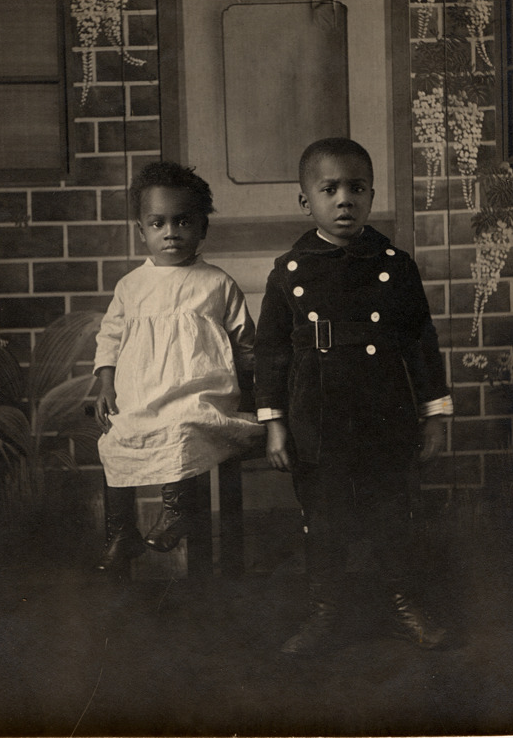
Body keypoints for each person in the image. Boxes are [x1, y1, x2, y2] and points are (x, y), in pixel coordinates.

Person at [254, 138, 453, 656]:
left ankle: (403, 604)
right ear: (306, 201)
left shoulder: (396, 266)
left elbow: (421, 343)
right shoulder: (288, 271)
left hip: (385, 412)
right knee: (323, 518)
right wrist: (274, 423)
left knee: (393, 513)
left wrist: (434, 416)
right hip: (316, 418)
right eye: (330, 189)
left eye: (357, 188)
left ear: (371, 196)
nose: (344, 199)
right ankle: (325, 612)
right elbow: (271, 351)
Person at [93, 161, 263, 572]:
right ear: (142, 231)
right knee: (117, 439)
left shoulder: (216, 283)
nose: (170, 232)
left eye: (183, 221)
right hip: (144, 394)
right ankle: (122, 531)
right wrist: (106, 384)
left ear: (203, 228)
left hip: (200, 391)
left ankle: (177, 512)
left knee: (183, 425)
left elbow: (245, 342)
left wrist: (253, 390)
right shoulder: (131, 286)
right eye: (158, 223)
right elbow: (110, 338)